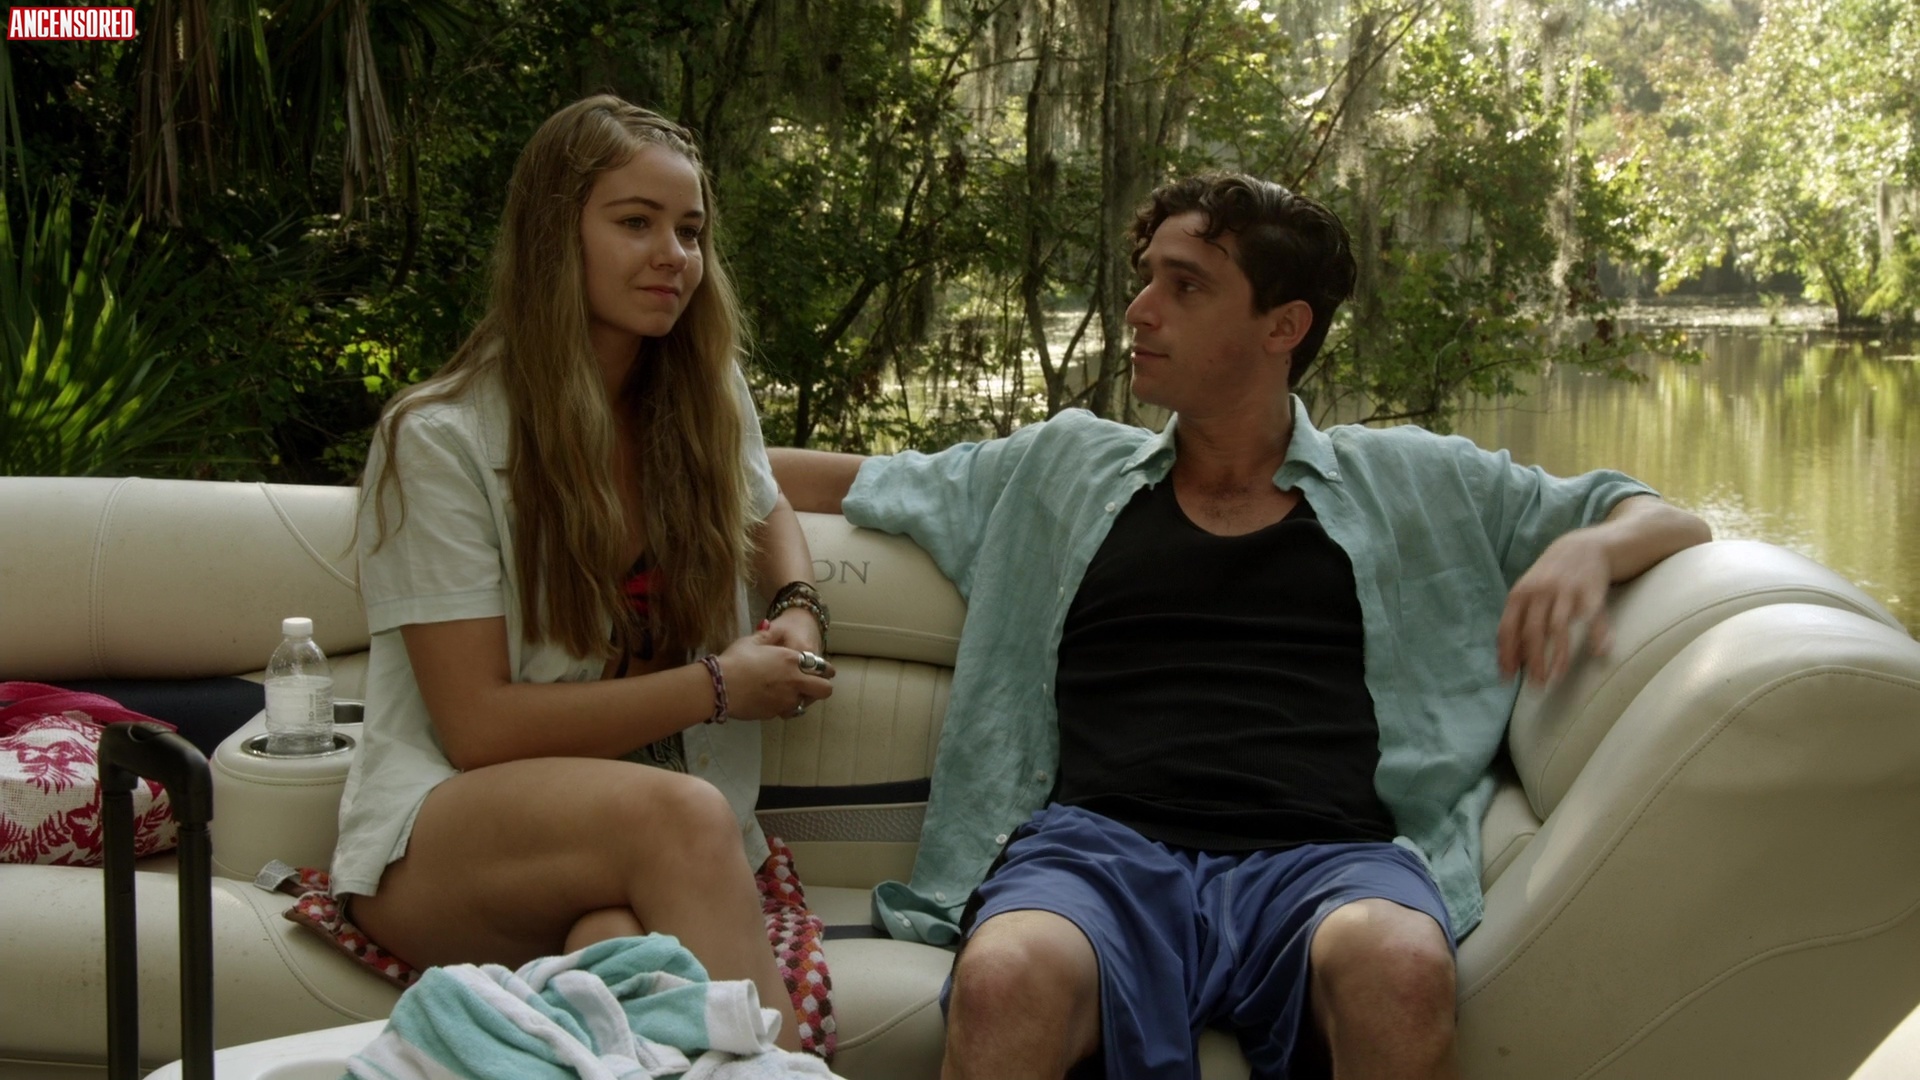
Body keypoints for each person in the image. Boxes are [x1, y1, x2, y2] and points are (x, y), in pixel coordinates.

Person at [769, 174, 1712, 1079]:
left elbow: (1660, 516)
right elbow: (827, 482)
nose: (1140, 310)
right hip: (1096, 856)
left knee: (1399, 966)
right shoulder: (1061, 470)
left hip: (1330, 859)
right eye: (1146, 278)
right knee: (1004, 976)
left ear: (1283, 326)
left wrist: (1589, 550)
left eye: (1185, 286)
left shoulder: (1416, 481)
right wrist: (695, 481)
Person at [331, 96, 835, 1053]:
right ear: (555, 234)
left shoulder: (703, 398)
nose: (673, 255)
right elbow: (479, 729)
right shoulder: (438, 439)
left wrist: (797, 609)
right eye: (636, 222)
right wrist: (719, 687)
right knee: (681, 819)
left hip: (632, 851)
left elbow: (766, 507)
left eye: (690, 231)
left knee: (626, 962)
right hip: (446, 842)